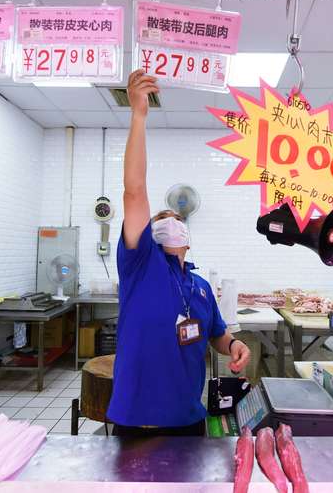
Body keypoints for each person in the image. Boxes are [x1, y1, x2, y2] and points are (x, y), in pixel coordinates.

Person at [107, 70, 251, 437]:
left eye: (177, 221)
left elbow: (216, 333)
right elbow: (134, 191)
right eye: (161, 222)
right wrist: (138, 115)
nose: (170, 224)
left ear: (188, 237)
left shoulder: (200, 287)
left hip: (189, 417)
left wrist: (233, 344)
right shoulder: (142, 264)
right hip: (137, 416)